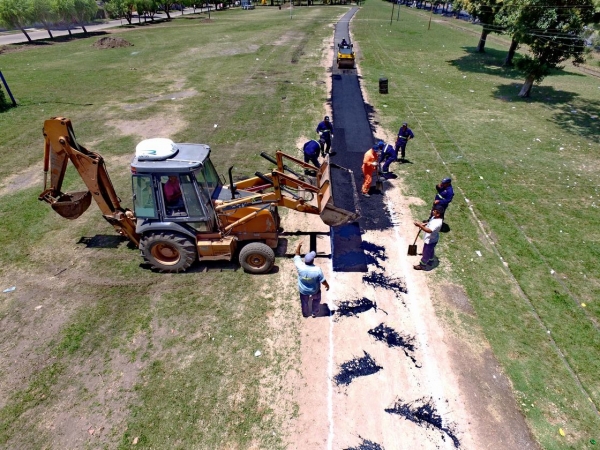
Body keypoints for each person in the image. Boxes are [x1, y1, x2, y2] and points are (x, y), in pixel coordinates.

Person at [294, 242, 329, 318]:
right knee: (316, 300)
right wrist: (327, 285)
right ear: (313, 261)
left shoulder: (300, 266)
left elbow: (297, 255)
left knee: (304, 302)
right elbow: (323, 281)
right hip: (314, 290)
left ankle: (305, 314)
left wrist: (299, 246)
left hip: (303, 290)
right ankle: (314, 312)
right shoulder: (317, 270)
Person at [413, 206, 443, 270]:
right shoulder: (435, 217)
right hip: (431, 239)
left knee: (426, 253)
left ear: (438, 214)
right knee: (430, 251)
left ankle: (422, 265)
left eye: (434, 211)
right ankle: (431, 260)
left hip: (431, 240)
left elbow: (429, 231)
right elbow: (430, 223)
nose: (433, 211)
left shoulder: (437, 223)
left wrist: (420, 225)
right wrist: (425, 224)